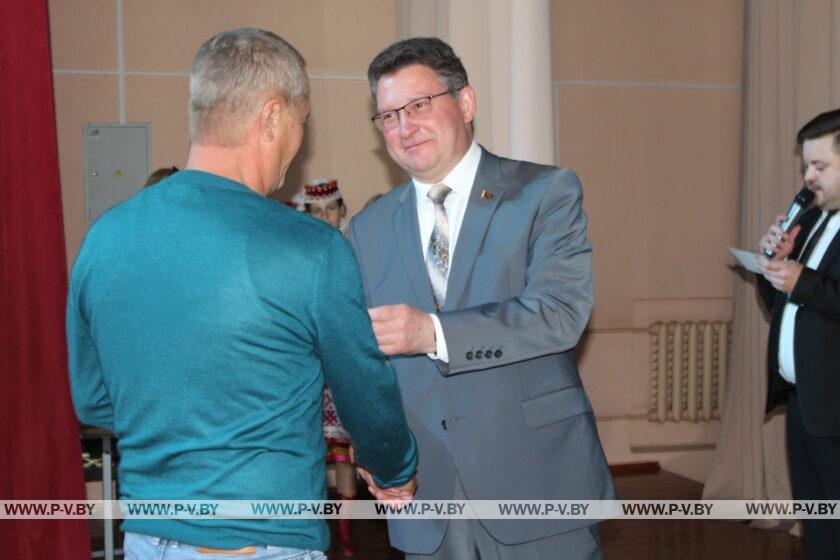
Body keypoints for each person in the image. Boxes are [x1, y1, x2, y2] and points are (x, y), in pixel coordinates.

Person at [67, 28, 417, 560]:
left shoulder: (104, 237)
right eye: (301, 124)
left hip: (145, 537)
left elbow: (93, 398)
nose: (298, 144)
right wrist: (394, 468)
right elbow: (364, 395)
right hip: (261, 541)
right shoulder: (309, 248)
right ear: (272, 117)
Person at [348, 37, 615, 560]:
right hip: (427, 495)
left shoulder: (545, 193)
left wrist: (433, 332)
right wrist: (376, 450)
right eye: (388, 116)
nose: (404, 127)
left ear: (465, 103)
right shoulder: (367, 228)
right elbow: (361, 358)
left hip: (537, 481)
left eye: (419, 105)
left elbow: (560, 314)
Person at [757, 107, 840, 559]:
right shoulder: (811, 221)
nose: (808, 177)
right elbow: (787, 308)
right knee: (819, 530)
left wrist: (801, 280)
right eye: (805, 164)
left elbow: (816, 291)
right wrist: (772, 271)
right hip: (803, 404)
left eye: (819, 166)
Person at [302, 179, 357, 556]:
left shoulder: (353, 253)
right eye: (317, 211)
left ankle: (347, 533)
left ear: (343, 212)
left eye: (330, 209)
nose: (324, 217)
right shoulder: (297, 252)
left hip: (342, 366)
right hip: (307, 367)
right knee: (307, 453)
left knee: (345, 456)